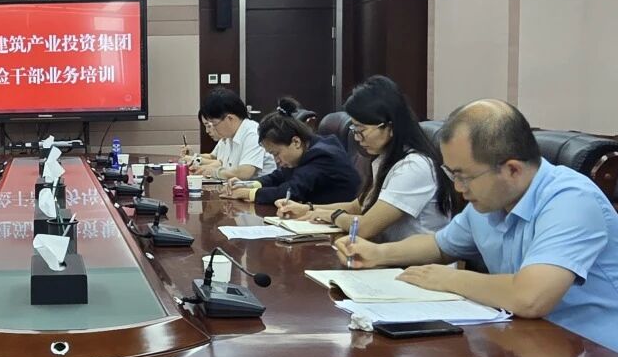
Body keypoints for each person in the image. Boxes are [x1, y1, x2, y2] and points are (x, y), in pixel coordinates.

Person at [336, 99, 618, 357]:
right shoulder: (490, 202)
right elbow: (440, 246)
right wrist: (378, 253)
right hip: (550, 352)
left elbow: (531, 297)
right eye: (451, 173)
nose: (457, 187)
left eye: (464, 176)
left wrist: (449, 279)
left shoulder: (570, 200)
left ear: (512, 169)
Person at [277, 76, 453, 241]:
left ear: (389, 126)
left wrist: (331, 215)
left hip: (417, 260)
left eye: (361, 130)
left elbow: (365, 227)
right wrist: (308, 209)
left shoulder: (414, 167)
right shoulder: (384, 158)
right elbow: (358, 206)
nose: (356, 138)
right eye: (354, 130)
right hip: (387, 255)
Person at [220, 98, 360, 205]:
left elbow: (291, 191)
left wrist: (247, 194)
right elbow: (278, 176)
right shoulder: (304, 151)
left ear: (296, 142)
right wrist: (246, 184)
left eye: (276, 154)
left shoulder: (322, 156)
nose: (276, 160)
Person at [182, 87, 267, 181]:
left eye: (214, 124)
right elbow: (222, 163)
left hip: (259, 189)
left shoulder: (253, 133)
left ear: (230, 118)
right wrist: (203, 168)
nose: (213, 128)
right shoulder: (230, 136)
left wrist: (214, 172)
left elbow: (245, 172)